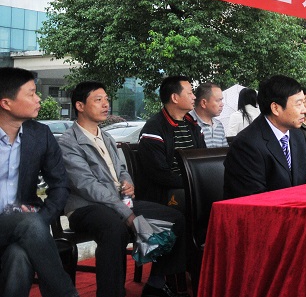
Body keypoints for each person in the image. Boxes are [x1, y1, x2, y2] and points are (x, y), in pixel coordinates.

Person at [59, 81, 186, 297]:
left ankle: (156, 284)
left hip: (118, 202)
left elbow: (121, 169)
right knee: (114, 228)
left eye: (106, 99)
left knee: (176, 218)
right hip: (86, 207)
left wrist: (128, 182)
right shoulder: (68, 142)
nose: (105, 104)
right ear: (80, 106)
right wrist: (127, 213)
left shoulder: (106, 136)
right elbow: (87, 186)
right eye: (98, 100)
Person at [0, 68, 79, 297]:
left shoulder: (40, 134)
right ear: (6, 103)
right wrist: (32, 222)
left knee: (19, 257)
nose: (38, 99)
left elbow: (60, 185)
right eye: (31, 93)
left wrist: (41, 219)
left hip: (24, 226)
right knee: (29, 223)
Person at [224, 76, 306, 198]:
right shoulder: (246, 145)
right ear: (275, 108)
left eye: (304, 103)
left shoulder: (297, 135)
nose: (305, 110)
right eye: (299, 104)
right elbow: (255, 199)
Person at [138, 75, 205, 209]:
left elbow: (202, 159)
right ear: (174, 98)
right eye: (190, 93)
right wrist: (194, 183)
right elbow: (160, 174)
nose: (194, 97)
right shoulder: (154, 129)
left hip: (192, 185)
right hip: (165, 193)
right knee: (206, 198)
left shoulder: (193, 125)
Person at [189, 83, 227, 148]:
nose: (222, 104)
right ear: (203, 103)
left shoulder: (219, 125)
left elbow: (225, 152)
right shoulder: (187, 123)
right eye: (218, 100)